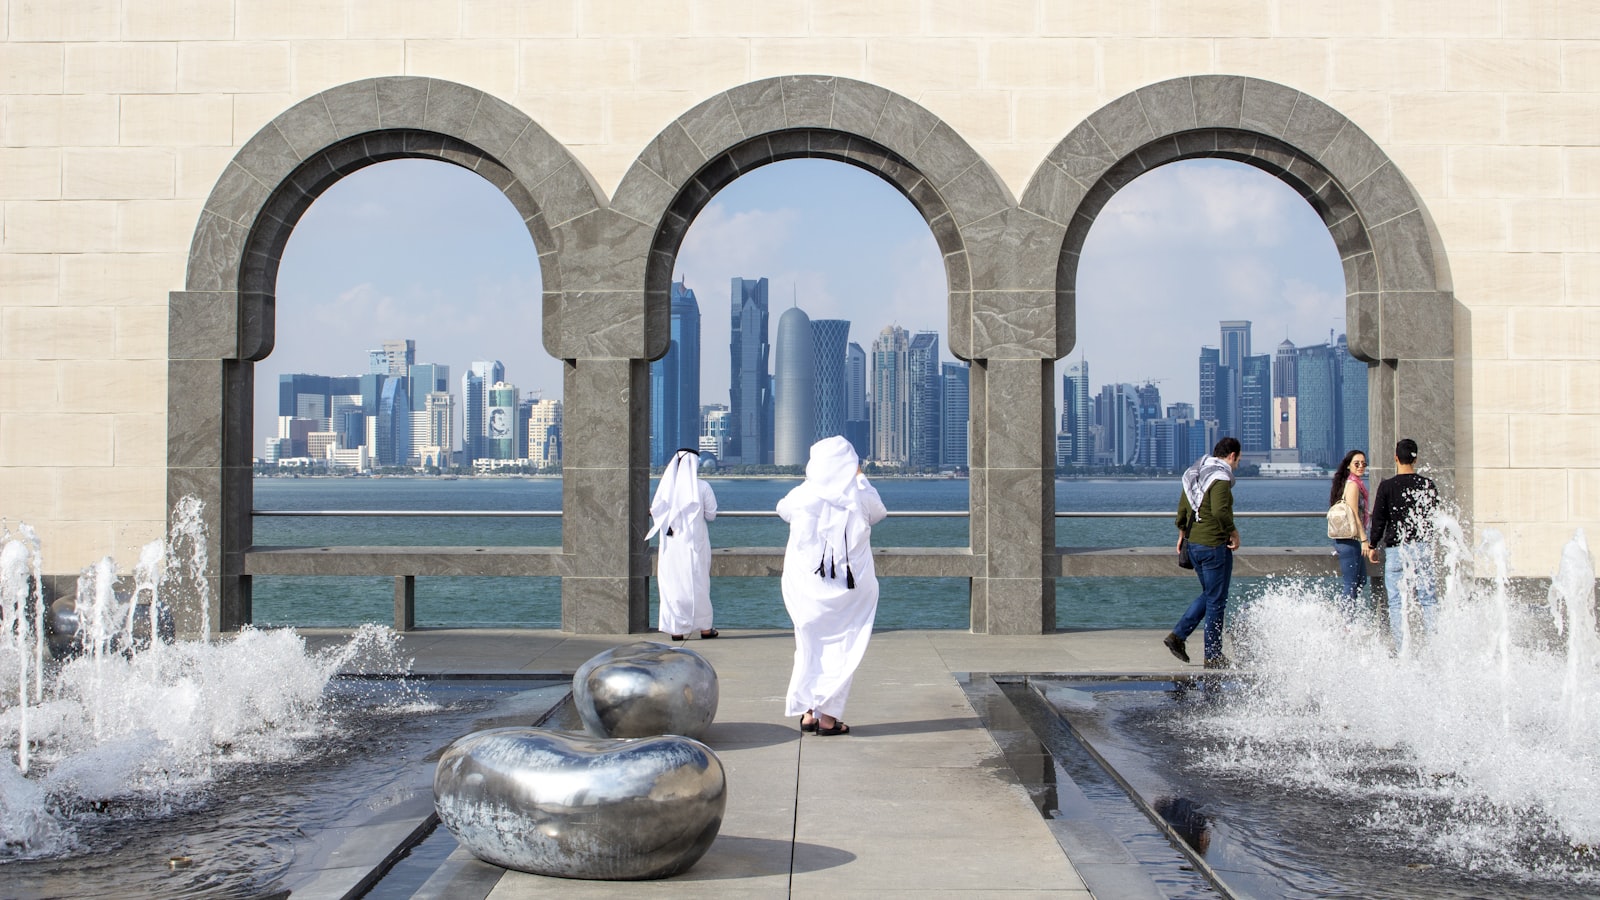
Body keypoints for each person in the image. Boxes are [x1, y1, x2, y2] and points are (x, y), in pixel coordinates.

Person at [777, 436, 887, 736]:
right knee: (843, 648)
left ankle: (809, 713)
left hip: (807, 588)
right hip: (850, 590)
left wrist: (810, 481)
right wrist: (861, 479)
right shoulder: (860, 495)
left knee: (809, 646)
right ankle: (828, 719)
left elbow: (782, 509)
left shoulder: (802, 494)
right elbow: (879, 512)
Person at [1164, 436, 1242, 669]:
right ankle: (1212, 655)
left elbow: (1183, 507)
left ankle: (1178, 637)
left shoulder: (1196, 472)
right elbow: (1219, 511)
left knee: (1210, 594)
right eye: (1238, 459)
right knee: (1217, 601)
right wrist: (1233, 532)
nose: (1237, 464)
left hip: (1195, 544)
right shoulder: (1219, 477)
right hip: (1213, 545)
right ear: (1231, 456)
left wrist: (1181, 534)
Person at [1365, 438, 1441, 653]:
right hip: (1422, 547)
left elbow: (1379, 520)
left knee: (1397, 603)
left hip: (1397, 550)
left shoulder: (1388, 486)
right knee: (1428, 600)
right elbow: (1434, 516)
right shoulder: (1427, 485)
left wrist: (1372, 546)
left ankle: (1402, 650)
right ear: (1416, 459)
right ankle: (1434, 648)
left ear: (1396, 458)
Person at [647, 447, 719, 641]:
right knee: (698, 583)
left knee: (672, 584)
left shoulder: (665, 490)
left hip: (671, 545)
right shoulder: (702, 487)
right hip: (696, 543)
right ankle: (705, 628)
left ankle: (676, 629)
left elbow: (655, 512)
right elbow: (711, 515)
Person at [1329, 449, 1371, 612]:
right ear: (1348, 466)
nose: (1361, 466)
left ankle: (1349, 616)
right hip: (1349, 541)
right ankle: (1346, 622)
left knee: (1360, 581)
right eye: (1357, 463)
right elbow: (1354, 514)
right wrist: (1364, 540)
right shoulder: (1353, 485)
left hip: (1351, 540)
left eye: (1363, 463)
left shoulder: (1354, 483)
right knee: (1351, 584)